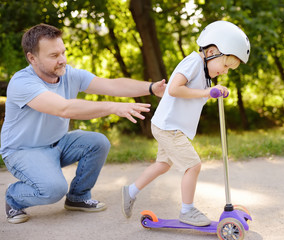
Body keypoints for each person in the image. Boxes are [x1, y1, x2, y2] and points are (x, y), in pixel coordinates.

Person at [1, 23, 166, 224]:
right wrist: (112, 107)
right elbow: (64, 108)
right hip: (23, 151)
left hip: (57, 143)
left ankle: (78, 198)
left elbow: (111, 84)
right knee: (53, 189)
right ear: (32, 58)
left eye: (63, 52)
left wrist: (150, 87)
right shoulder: (22, 83)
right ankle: (14, 198)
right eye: (54, 56)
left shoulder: (69, 74)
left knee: (98, 142)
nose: (62, 60)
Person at [121, 20, 250, 226]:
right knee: (193, 165)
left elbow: (195, 94)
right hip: (168, 127)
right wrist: (206, 92)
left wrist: (214, 92)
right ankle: (187, 210)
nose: (225, 71)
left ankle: (131, 191)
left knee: (163, 165)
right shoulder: (193, 62)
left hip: (169, 125)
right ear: (211, 52)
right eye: (225, 65)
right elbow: (174, 89)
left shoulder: (205, 71)